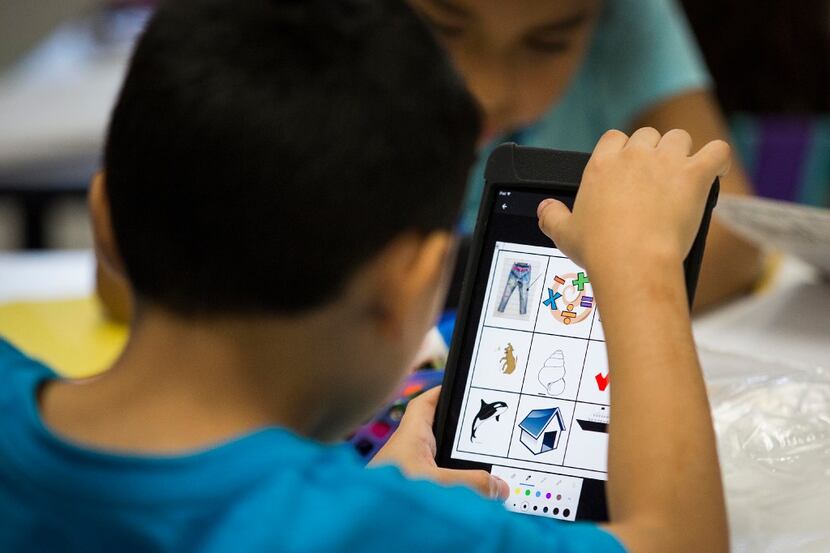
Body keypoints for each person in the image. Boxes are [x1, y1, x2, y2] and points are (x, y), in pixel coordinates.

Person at [0, 1, 728, 551]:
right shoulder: (390, 531)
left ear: (106, 221)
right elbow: (675, 538)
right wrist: (642, 269)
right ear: (407, 287)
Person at [409, 0, 762, 310]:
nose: (488, 93)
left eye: (548, 43)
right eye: (444, 28)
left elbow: (730, 233)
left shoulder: (630, 13)